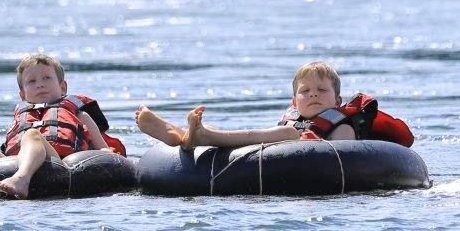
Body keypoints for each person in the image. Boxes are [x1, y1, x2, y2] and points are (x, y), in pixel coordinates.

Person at [0, 53, 124, 199]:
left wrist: (114, 159)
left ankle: (21, 180)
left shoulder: (80, 114)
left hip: (57, 159)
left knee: (32, 134)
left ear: (63, 87)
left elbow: (102, 149)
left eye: (46, 78)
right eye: (32, 81)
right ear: (22, 95)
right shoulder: (21, 117)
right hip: (17, 159)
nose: (40, 84)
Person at [135, 61, 414, 149]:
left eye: (321, 90)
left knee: (287, 133)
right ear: (294, 101)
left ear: (337, 101)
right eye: (305, 91)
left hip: (310, 156)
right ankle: (182, 134)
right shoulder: (294, 120)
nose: (313, 95)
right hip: (280, 147)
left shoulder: (342, 125)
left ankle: (202, 136)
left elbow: (343, 155)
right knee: (275, 131)